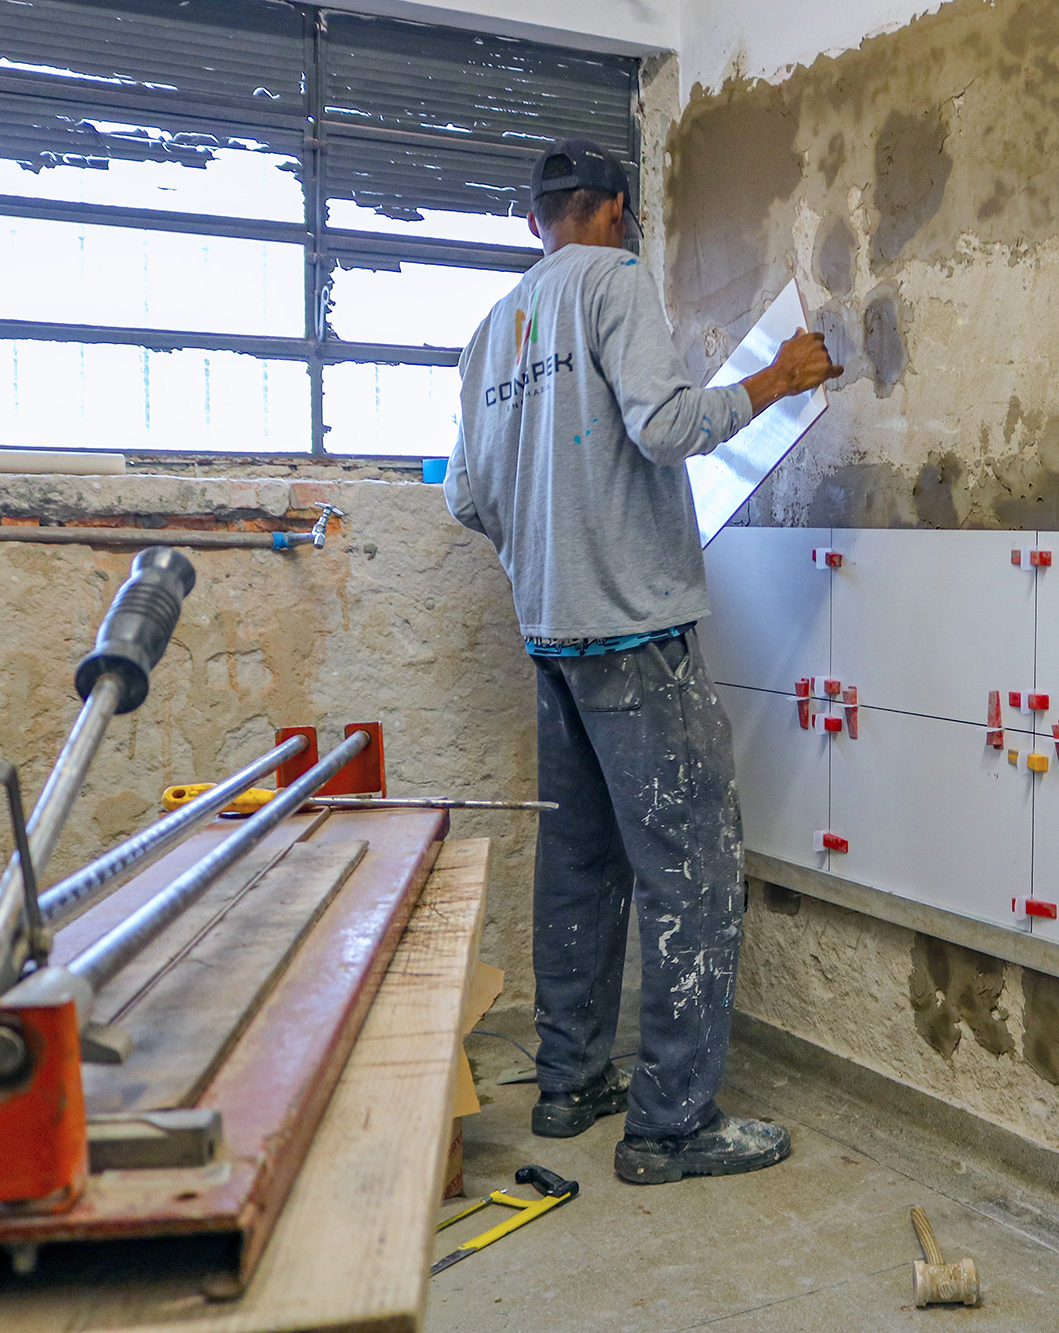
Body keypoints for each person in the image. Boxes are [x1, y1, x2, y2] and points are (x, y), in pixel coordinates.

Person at [443, 136, 841, 1185]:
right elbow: (664, 426)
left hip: (553, 639)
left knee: (580, 868)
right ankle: (670, 1126)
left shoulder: (492, 331)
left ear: (538, 220)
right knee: (694, 873)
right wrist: (776, 378)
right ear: (615, 212)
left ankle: (572, 1084)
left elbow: (464, 496)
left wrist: (554, 548)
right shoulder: (613, 282)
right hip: (635, 635)